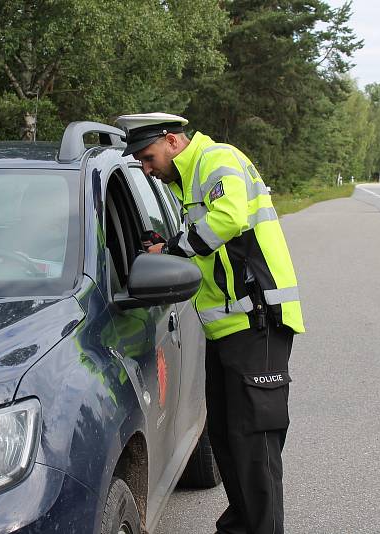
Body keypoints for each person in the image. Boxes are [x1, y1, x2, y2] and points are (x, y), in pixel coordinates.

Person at [116, 112, 305, 534]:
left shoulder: (216, 158)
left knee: (255, 445)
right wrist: (168, 247)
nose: (147, 169)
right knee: (228, 439)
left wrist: (176, 250)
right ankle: (240, 524)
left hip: (258, 320)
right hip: (227, 328)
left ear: (172, 141)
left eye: (148, 157)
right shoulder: (188, 180)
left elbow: (232, 217)